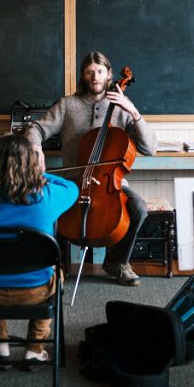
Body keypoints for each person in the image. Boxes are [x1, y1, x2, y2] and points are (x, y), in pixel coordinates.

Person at [24, 51, 157, 286]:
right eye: (89, 72)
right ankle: (55, 264)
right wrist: (35, 146)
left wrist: (133, 112)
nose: (94, 76)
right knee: (47, 204)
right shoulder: (68, 104)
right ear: (83, 76)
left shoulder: (121, 107)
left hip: (110, 184)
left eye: (99, 71)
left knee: (137, 207)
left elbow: (150, 148)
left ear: (109, 75)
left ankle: (116, 262)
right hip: (73, 181)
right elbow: (37, 128)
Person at [0, 133, 79, 369]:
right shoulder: (47, 197)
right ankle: (34, 349)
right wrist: (40, 172)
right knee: (56, 274)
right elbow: (71, 188)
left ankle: (0, 348)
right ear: (33, 162)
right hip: (37, 291)